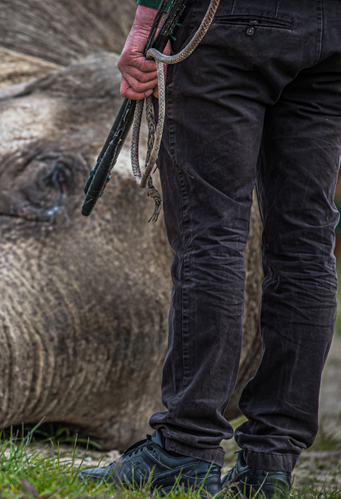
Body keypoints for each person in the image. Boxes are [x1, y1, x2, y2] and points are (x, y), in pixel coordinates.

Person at [80, 0, 341, 497]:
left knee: (211, 233)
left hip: (232, 19)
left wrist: (146, 20)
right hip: (331, 29)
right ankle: (270, 462)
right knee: (307, 242)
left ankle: (186, 447)